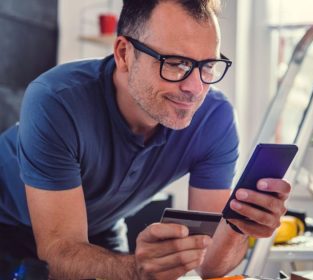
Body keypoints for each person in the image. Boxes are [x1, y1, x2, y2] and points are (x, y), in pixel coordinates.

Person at [0, 0, 291, 279]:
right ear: (124, 54)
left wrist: (239, 227)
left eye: (207, 66)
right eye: (176, 63)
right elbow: (58, 252)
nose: (195, 88)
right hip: (9, 224)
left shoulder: (215, 119)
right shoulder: (56, 100)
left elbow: (210, 266)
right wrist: (136, 270)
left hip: (100, 228)